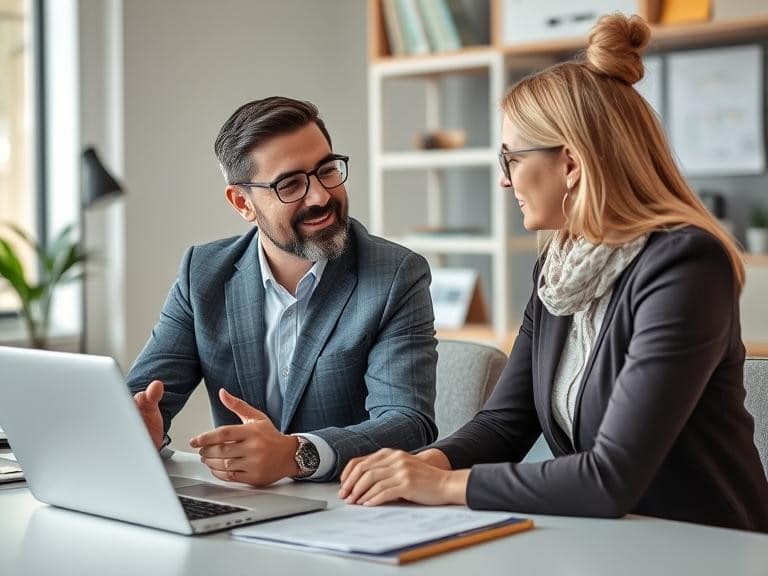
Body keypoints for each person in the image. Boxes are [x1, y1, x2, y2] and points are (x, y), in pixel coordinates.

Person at [338, 14, 768, 532]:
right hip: (609, 538)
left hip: (706, 546)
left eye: (512, 158)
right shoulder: (560, 267)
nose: (503, 179)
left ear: (570, 164)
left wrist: (444, 487)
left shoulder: (685, 267)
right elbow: (506, 421)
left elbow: (610, 478)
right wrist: (429, 463)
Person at [127, 96, 437, 486]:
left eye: (327, 170)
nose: (321, 196)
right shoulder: (203, 274)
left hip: (347, 509)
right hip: (242, 509)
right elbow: (143, 398)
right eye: (290, 184)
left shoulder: (394, 275)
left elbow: (408, 422)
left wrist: (297, 454)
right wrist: (140, 432)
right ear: (243, 203)